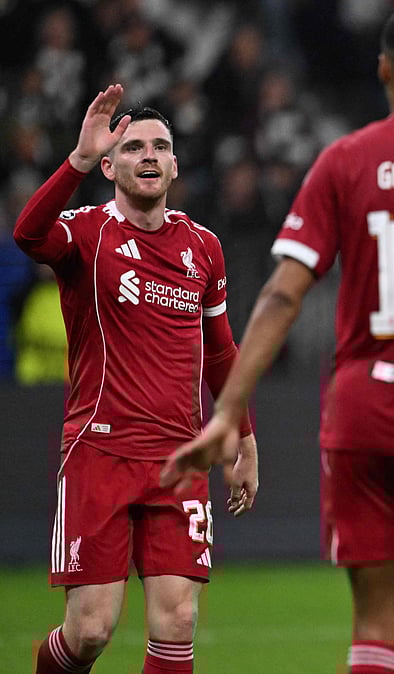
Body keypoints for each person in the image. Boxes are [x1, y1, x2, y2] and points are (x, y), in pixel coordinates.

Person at [160, 4, 394, 674]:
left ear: (383, 71)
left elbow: (282, 292)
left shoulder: (344, 161)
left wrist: (227, 411)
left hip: (361, 415)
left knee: (373, 624)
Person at [13, 86, 259, 674]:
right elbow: (27, 234)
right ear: (110, 164)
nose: (148, 155)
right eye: (132, 148)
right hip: (100, 450)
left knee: (177, 622)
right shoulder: (87, 233)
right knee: (91, 631)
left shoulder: (203, 248)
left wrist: (243, 439)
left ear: (174, 165)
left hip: (181, 458)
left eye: (160, 147)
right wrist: (72, 161)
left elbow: (220, 352)